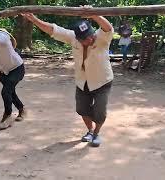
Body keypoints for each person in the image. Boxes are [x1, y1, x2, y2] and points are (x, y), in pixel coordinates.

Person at [21, 9, 113, 147]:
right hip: (82, 81)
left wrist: (93, 14)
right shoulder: (72, 38)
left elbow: (108, 27)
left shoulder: (101, 38)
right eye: (85, 38)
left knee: (100, 112)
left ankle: (96, 134)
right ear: (78, 38)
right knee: (82, 109)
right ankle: (90, 130)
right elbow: (53, 30)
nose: (89, 39)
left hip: (102, 81)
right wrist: (34, 20)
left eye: (90, 35)